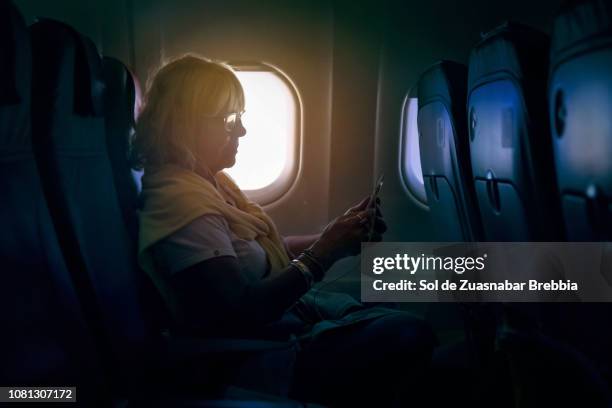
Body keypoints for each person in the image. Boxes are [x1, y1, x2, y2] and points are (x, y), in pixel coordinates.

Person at [132, 54, 436, 407]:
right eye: (230, 120)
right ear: (187, 123)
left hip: (287, 322)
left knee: (389, 294)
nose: (242, 131)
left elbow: (258, 251)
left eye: (240, 118)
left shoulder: (211, 183)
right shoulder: (179, 202)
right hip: (254, 355)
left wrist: (336, 234)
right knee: (411, 334)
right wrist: (325, 253)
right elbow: (240, 312)